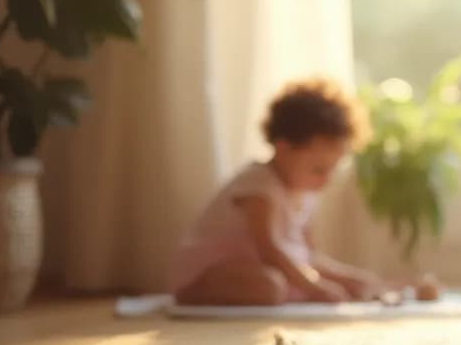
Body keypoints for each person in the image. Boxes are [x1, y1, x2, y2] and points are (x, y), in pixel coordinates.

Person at [170, 77, 439, 305]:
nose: (326, 179)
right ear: (284, 149)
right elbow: (270, 249)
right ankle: (192, 295)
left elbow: (307, 257)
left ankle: (379, 286)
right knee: (270, 285)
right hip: (214, 273)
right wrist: (312, 285)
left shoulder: (303, 194)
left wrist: (358, 279)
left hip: (265, 270)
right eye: (318, 169)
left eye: (333, 170)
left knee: (348, 285)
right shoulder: (258, 185)